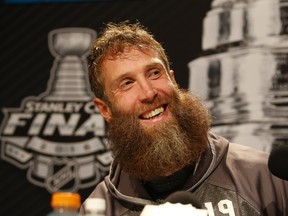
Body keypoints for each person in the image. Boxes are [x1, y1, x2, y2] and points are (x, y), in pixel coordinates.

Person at [80, 21, 288, 216]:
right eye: (127, 83)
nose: (148, 92)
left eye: (154, 73)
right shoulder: (100, 208)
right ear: (105, 109)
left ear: (173, 80)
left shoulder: (263, 180)